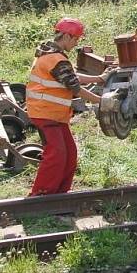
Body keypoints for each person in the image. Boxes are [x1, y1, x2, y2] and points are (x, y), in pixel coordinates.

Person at [26, 17, 106, 195]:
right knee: (57, 154)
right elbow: (75, 88)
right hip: (45, 113)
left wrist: (98, 78)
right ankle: (41, 194)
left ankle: (60, 195)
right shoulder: (56, 59)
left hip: (54, 115)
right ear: (67, 36)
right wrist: (101, 101)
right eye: (76, 39)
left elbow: (70, 75)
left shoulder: (50, 54)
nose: (76, 43)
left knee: (69, 154)